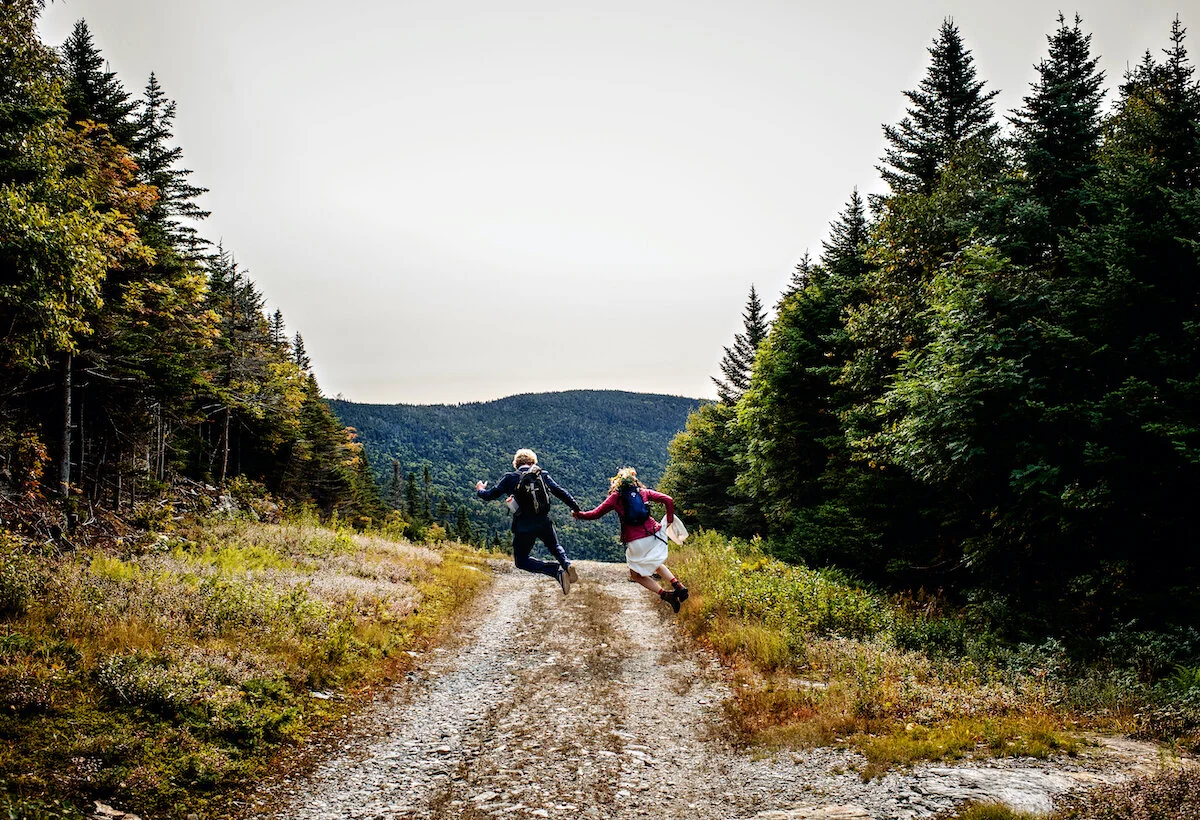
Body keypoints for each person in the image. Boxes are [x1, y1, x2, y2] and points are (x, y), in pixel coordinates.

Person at [572, 467, 689, 612]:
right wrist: (669, 520)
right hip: (654, 533)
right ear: (634, 481)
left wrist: (579, 514)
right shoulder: (643, 492)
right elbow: (668, 500)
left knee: (636, 575)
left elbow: (595, 514)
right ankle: (678, 586)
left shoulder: (616, 497)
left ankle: (666, 595)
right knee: (656, 562)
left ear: (618, 483)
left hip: (636, 541)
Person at [476, 448, 581, 594]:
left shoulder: (510, 478)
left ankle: (556, 571)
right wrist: (576, 508)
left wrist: (480, 489)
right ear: (533, 462)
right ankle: (566, 563)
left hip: (523, 526)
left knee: (522, 561)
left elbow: (489, 495)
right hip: (544, 521)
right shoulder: (542, 475)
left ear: (516, 464)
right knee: (554, 546)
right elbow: (560, 492)